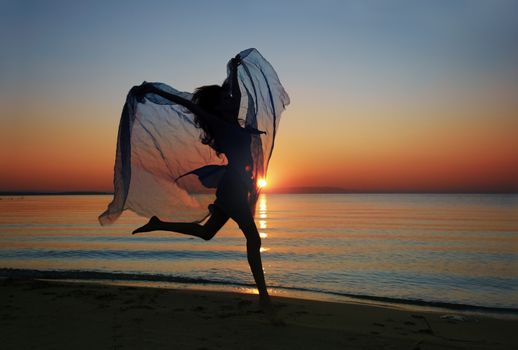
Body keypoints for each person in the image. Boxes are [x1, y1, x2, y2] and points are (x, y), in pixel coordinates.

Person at [130, 57, 274, 313]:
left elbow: (237, 94)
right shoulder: (219, 123)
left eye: (230, 98)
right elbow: (185, 103)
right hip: (232, 188)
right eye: (225, 99)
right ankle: (264, 297)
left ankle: (158, 223)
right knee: (252, 237)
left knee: (207, 233)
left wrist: (235, 69)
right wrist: (152, 90)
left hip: (237, 186)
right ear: (217, 108)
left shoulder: (233, 121)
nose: (231, 99)